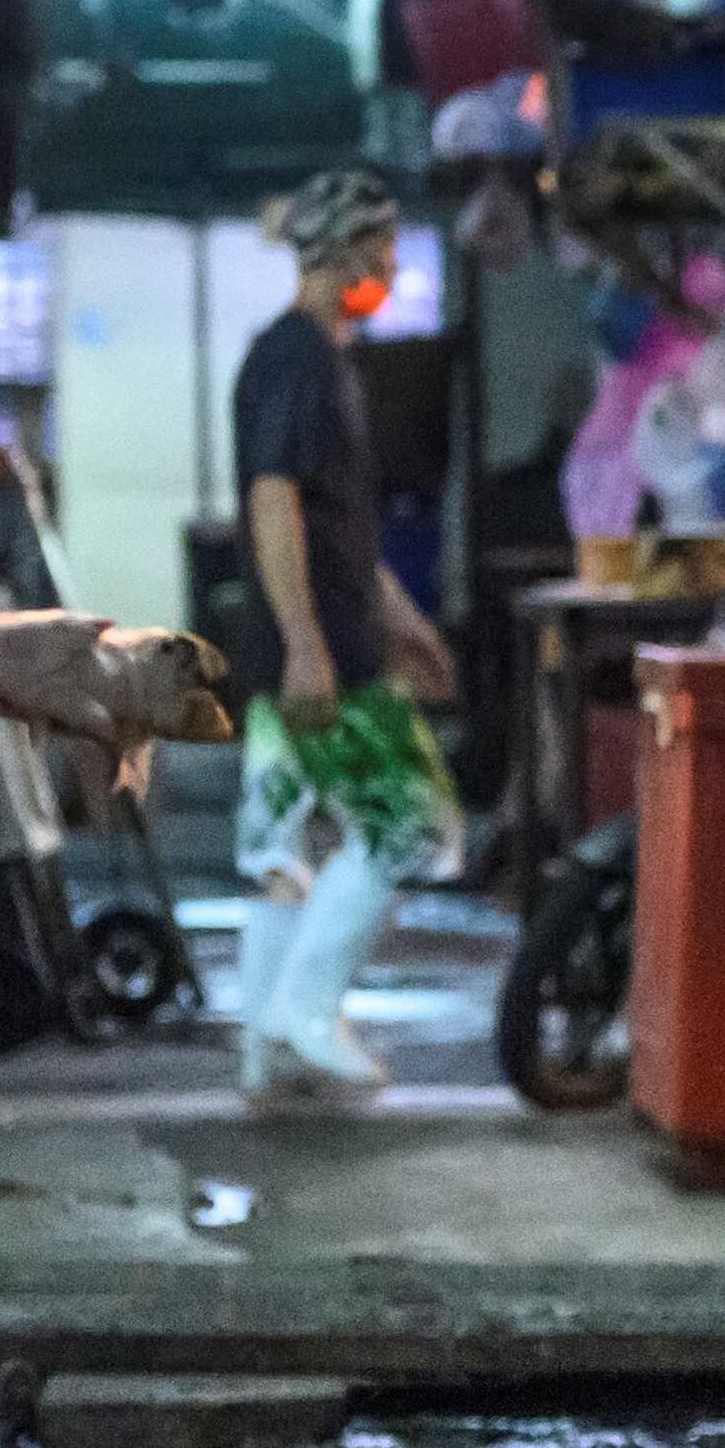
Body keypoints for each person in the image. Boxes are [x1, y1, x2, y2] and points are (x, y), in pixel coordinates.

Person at [231, 166, 460, 1097]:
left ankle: (266, 1044)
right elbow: (274, 497)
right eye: (385, 252)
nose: (393, 269)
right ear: (343, 253)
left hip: (324, 637)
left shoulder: (317, 357)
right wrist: (307, 644)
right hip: (322, 651)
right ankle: (307, 1010)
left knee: (291, 845)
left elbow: (343, 528)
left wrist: (407, 620)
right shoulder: (301, 360)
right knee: (414, 824)